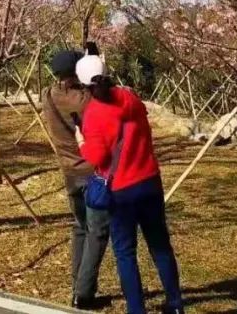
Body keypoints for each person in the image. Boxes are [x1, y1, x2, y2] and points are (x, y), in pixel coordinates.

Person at [74, 55, 185, 314]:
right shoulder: (130, 98)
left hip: (121, 190)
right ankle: (176, 304)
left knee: (125, 252)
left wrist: (81, 141)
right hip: (149, 180)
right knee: (160, 245)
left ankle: (137, 310)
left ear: (84, 85)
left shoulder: (94, 114)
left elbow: (98, 157)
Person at [41, 49, 109, 310]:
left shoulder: (48, 95)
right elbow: (99, 95)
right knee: (98, 231)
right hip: (91, 171)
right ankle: (83, 293)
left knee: (80, 226)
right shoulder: (84, 100)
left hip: (69, 171)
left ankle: (77, 282)